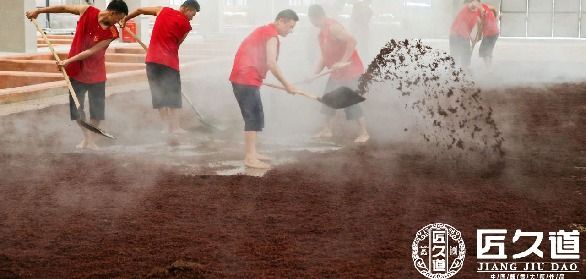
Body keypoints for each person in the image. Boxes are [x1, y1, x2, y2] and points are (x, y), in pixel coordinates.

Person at [26, 0, 129, 150]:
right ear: (113, 13)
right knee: (76, 109)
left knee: (97, 111)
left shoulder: (112, 33)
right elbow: (63, 7)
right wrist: (39, 11)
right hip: (76, 71)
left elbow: (90, 51)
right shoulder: (87, 10)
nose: (119, 22)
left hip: (96, 74)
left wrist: (68, 60)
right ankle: (87, 139)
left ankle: (90, 140)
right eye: (119, 18)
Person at [229, 10, 300, 169]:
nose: (290, 31)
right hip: (245, 79)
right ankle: (249, 157)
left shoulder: (264, 31)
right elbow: (272, 64)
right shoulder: (271, 35)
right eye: (289, 27)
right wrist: (287, 85)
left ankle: (253, 152)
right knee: (252, 117)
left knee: (256, 115)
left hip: (246, 78)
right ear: (281, 21)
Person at [121, 0, 200, 134]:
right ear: (187, 8)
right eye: (193, 13)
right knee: (173, 96)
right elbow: (177, 44)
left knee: (158, 95)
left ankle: (165, 128)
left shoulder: (162, 10)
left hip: (152, 60)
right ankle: (175, 128)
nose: (193, 17)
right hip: (169, 63)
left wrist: (125, 19)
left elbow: (139, 11)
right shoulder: (186, 26)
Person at [308, 4, 370, 143]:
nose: (311, 23)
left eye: (310, 20)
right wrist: (313, 74)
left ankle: (364, 133)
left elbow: (353, 41)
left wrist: (342, 61)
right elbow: (324, 57)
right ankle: (327, 130)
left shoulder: (333, 27)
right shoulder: (321, 33)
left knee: (350, 102)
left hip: (351, 72)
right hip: (337, 74)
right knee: (328, 99)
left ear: (314, 17)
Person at [449, 0, 482, 69]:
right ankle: (453, 72)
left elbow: (478, 24)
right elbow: (470, 6)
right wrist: (470, 38)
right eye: (472, 2)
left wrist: (477, 37)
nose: (472, 3)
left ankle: (464, 70)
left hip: (464, 36)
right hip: (455, 35)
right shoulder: (466, 9)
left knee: (466, 55)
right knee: (455, 55)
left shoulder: (477, 12)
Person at [476, 2, 499, 69]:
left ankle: (488, 69)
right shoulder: (485, 6)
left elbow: (479, 24)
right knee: (489, 50)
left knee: (483, 52)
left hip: (489, 33)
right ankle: (490, 67)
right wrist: (495, 18)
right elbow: (494, 9)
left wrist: (479, 37)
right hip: (496, 32)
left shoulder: (476, 12)